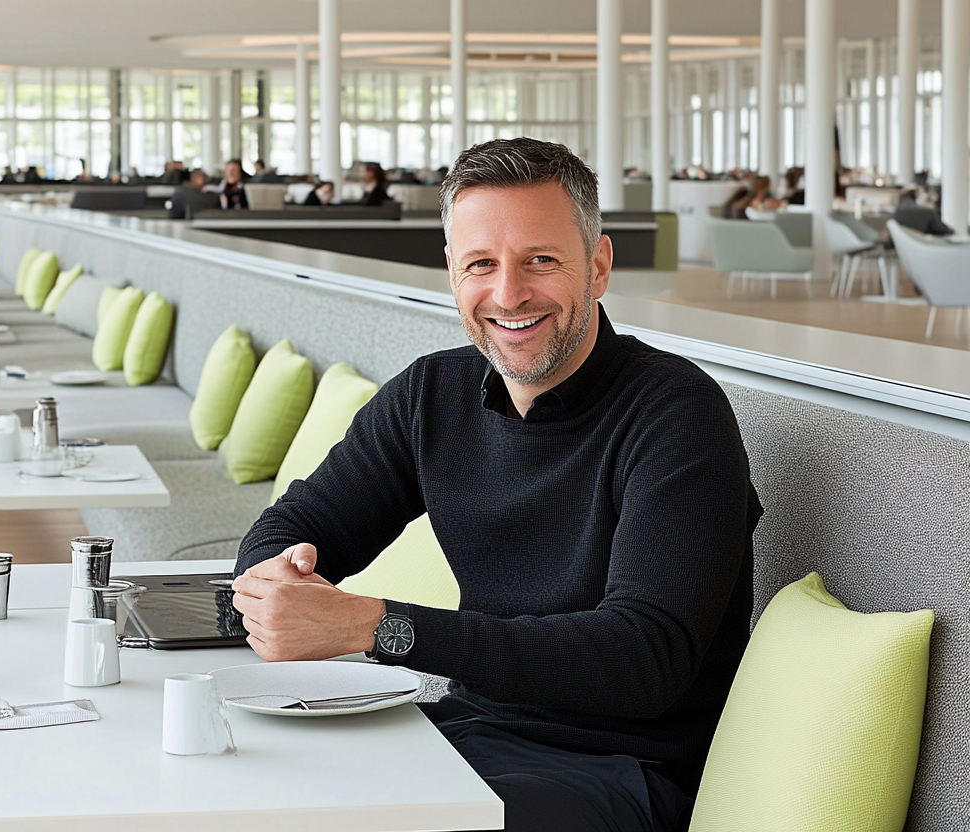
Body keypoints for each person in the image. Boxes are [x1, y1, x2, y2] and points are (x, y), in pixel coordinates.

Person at [232, 137, 760, 832]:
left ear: (598, 267)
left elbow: (642, 658)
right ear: (452, 271)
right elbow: (292, 526)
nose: (508, 294)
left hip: (614, 772)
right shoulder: (432, 394)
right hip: (462, 734)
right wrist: (277, 585)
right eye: (481, 264)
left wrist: (375, 627)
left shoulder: (676, 413)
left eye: (540, 260)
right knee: (234, 791)